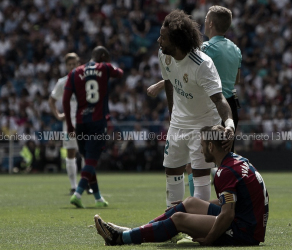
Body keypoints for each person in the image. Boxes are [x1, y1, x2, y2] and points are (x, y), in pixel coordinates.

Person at [93, 125, 269, 246]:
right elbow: (231, 204)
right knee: (191, 203)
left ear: (210, 146)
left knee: (179, 219)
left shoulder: (225, 172)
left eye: (202, 146)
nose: (200, 150)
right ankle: (138, 230)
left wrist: (209, 239)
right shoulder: (236, 161)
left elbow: (228, 214)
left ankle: (121, 238)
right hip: (248, 224)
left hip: (244, 232)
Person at [147, 6, 242, 197]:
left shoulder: (203, 62)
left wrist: (229, 125)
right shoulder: (163, 55)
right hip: (179, 121)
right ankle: (172, 220)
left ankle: (200, 221)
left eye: (163, 38)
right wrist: (173, 113)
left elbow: (219, 99)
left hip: (204, 122)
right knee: (172, 170)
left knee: (200, 173)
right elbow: (169, 81)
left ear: (176, 42)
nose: (159, 41)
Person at [63, 46, 123, 208]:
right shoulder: (104, 67)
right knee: (91, 161)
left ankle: (97, 198)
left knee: (88, 160)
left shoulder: (74, 73)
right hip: (97, 122)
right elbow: (120, 73)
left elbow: (65, 100)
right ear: (103, 57)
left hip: (80, 123)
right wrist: (111, 66)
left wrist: (69, 124)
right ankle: (78, 193)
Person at [49, 52, 93, 195]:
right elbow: (52, 100)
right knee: (71, 154)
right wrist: (58, 115)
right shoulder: (62, 82)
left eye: (75, 64)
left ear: (79, 64)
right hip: (69, 123)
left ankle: (85, 184)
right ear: (66, 66)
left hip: (85, 122)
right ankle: (74, 186)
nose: (72, 66)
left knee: (86, 154)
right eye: (70, 64)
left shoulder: (86, 80)